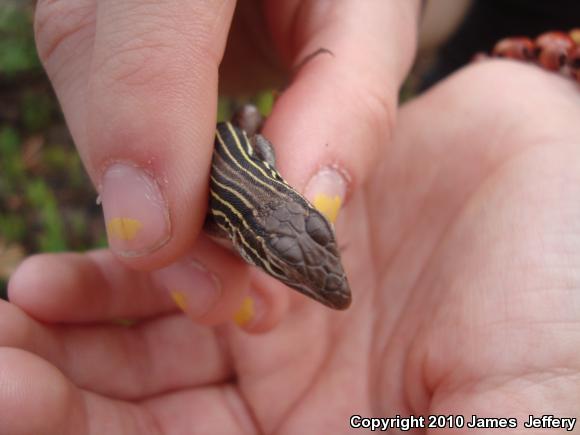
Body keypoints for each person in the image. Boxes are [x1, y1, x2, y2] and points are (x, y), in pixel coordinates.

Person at [3, 1, 580, 433]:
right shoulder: (218, 218)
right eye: (287, 268)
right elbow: (244, 127)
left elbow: (251, 133)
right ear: (256, 245)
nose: (311, 277)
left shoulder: (236, 211)